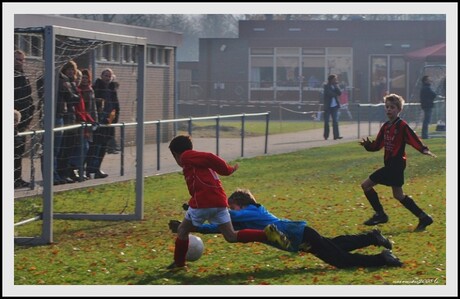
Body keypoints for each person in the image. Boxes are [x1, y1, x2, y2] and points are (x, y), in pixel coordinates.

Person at [169, 188, 403, 268]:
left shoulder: (253, 210)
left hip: (298, 234)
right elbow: (219, 227)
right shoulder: (240, 218)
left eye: (230, 206)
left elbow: (224, 215)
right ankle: (373, 236)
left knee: (341, 260)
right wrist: (190, 226)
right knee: (338, 244)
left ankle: (382, 258)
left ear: (240, 204)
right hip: (301, 236)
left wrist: (200, 209)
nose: (227, 211)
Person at [167, 135, 291, 270]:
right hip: (219, 202)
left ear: (176, 154)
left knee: (182, 230)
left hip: (203, 202)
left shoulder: (186, 156)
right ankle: (267, 234)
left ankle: (179, 264)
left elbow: (209, 157)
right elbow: (208, 164)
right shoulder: (197, 162)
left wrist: (227, 170)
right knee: (231, 235)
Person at [359, 93, 436, 232]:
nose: (389, 110)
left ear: (399, 109)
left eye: (392, 107)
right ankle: (424, 217)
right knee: (398, 195)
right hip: (391, 165)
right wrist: (368, 146)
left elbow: (413, 139)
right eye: (387, 107)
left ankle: (380, 214)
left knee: (366, 185)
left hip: (396, 165)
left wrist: (424, 149)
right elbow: (377, 145)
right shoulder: (386, 127)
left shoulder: (402, 126)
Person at [14, 50, 35, 189]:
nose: (20, 62)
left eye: (22, 60)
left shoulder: (24, 76)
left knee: (19, 152)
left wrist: (30, 113)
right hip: (13, 120)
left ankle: (17, 178)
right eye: (17, 59)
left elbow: (29, 97)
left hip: (23, 121)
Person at [323, 74, 342, 140]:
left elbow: (340, 93)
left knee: (335, 121)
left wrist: (336, 87)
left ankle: (336, 136)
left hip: (335, 106)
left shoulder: (335, 86)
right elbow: (329, 93)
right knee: (326, 122)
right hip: (328, 106)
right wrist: (335, 94)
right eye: (334, 79)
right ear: (331, 80)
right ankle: (326, 136)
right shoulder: (326, 86)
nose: (336, 80)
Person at [420, 75, 437, 139]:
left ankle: (425, 135)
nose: (430, 81)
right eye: (428, 80)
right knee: (426, 121)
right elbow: (433, 95)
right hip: (428, 106)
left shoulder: (424, 88)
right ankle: (425, 135)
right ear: (425, 81)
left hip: (426, 106)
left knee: (426, 121)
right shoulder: (426, 88)